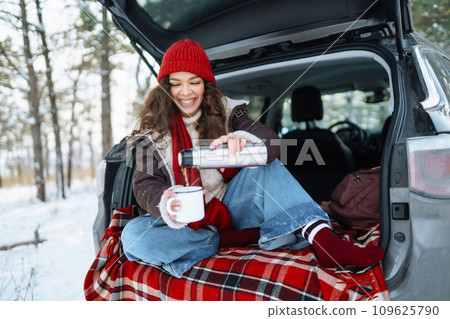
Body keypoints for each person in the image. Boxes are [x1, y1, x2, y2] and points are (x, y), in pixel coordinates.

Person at [121, 39, 384, 278]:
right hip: (187, 219)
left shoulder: (229, 113)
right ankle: (214, 241)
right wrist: (165, 201)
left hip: (233, 205)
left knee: (264, 166)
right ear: (166, 87)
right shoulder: (151, 135)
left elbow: (268, 140)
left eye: (194, 81)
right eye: (176, 83)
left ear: (205, 84)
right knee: (132, 236)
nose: (185, 92)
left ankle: (324, 241)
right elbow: (145, 184)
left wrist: (245, 138)